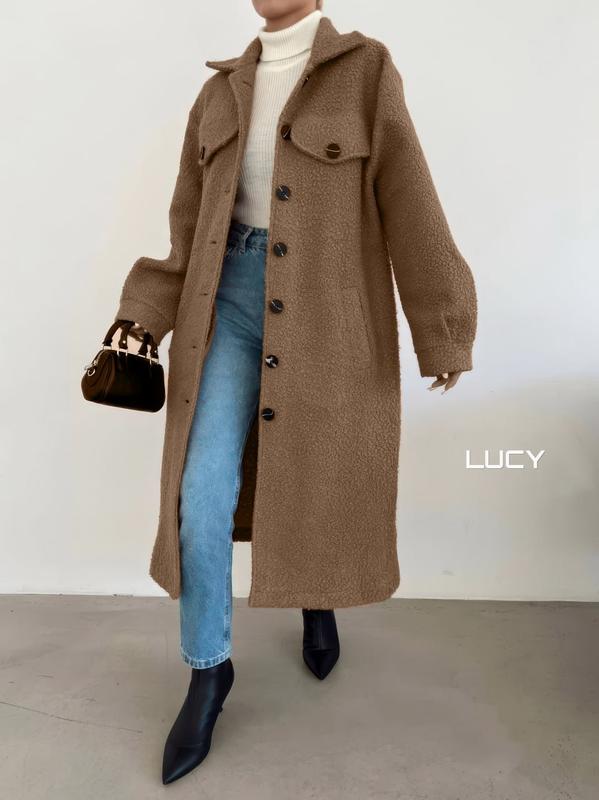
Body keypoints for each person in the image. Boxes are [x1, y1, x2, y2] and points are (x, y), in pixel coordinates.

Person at [114, 0, 477, 785]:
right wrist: (141, 315)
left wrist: (443, 328)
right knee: (201, 493)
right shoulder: (218, 92)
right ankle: (208, 671)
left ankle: (318, 597)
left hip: (323, 310)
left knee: (312, 472)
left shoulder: (364, 71)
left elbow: (409, 200)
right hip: (223, 304)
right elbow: (186, 231)